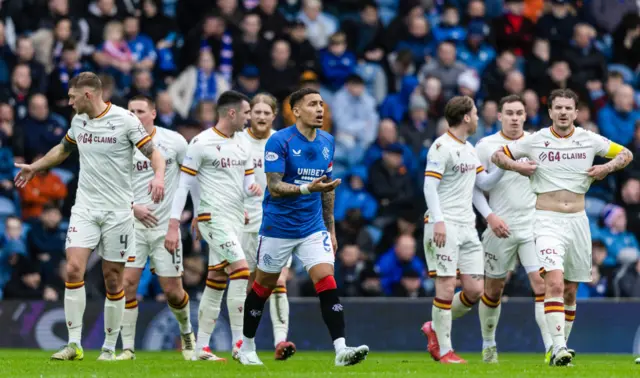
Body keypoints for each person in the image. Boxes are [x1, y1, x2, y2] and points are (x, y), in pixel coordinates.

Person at [14, 72, 166, 361]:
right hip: (84, 207)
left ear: (88, 95)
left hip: (118, 211)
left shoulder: (125, 120)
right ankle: (74, 344)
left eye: (72, 96)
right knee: (72, 269)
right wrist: (35, 167)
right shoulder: (78, 121)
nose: (68, 102)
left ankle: (109, 347)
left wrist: (158, 176)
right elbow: (63, 149)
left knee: (112, 279)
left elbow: (153, 152)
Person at [491, 89, 633, 366]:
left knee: (570, 290)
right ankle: (557, 348)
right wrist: (517, 167)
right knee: (553, 282)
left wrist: (607, 168)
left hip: (578, 221)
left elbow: (626, 153)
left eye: (569, 108)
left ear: (576, 113)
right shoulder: (535, 140)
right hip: (546, 219)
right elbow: (498, 156)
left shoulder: (589, 140)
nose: (564, 112)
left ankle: (560, 349)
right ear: (551, 112)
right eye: (559, 108)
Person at [234, 88, 369, 366]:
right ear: (296, 111)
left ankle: (341, 350)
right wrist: (308, 188)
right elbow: (274, 186)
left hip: (312, 227)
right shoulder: (279, 141)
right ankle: (247, 347)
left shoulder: (327, 141)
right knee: (263, 286)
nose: (320, 109)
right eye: (312, 104)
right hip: (277, 227)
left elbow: (327, 189)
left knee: (327, 280)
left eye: (321, 103)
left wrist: (330, 229)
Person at [420, 95, 531, 364]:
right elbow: (429, 186)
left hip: (468, 227)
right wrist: (438, 220)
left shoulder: (469, 149)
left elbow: (485, 182)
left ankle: (434, 327)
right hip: (443, 225)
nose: (479, 117)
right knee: (446, 287)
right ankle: (445, 351)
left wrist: (505, 164)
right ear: (466, 117)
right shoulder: (440, 146)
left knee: (475, 291)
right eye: (476, 113)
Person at [164, 90, 262, 361]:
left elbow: (246, 180)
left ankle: (202, 347)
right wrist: (174, 224)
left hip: (234, 218)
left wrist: (250, 191)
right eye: (246, 113)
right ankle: (241, 344)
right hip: (212, 217)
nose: (249, 118)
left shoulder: (244, 142)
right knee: (241, 271)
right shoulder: (201, 142)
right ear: (231, 113)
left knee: (217, 280)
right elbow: (184, 185)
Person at [115, 95, 194, 361]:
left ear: (153, 113)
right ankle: (127, 348)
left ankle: (187, 335)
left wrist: (191, 214)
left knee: (172, 291)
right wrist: (133, 206)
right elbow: (108, 187)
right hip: (132, 225)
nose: (134, 115)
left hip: (164, 228)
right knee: (126, 284)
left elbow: (191, 178)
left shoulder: (174, 141)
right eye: (130, 111)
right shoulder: (118, 144)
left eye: (139, 111)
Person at [473, 94, 549, 363]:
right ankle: (488, 344)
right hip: (500, 227)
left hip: (533, 226)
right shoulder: (485, 146)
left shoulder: (537, 142)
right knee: (494, 289)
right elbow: (475, 188)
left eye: (519, 113)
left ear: (525, 116)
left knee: (542, 285)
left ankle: (552, 348)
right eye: (509, 113)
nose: (515, 118)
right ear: (500, 116)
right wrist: (490, 216)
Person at [237, 93, 296, 360]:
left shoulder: (283, 142)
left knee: (278, 279)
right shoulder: (237, 141)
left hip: (278, 222)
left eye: (266, 112)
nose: (260, 117)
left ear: (274, 115)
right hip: (243, 222)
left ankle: (280, 341)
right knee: (249, 283)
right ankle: (243, 342)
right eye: (256, 112)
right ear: (248, 114)